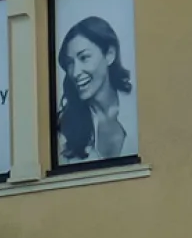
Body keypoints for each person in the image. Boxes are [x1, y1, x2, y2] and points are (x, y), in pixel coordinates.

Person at [53, 14, 137, 165]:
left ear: (110, 55)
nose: (76, 72)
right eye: (70, 63)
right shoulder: (65, 130)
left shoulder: (140, 108)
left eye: (84, 57)